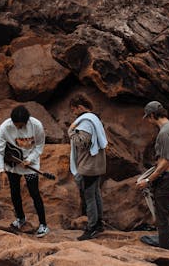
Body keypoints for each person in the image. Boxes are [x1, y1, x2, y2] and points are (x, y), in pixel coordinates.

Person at [136, 101, 169, 250]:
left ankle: (165, 246)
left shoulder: (165, 133)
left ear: (153, 115)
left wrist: (148, 180)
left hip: (168, 176)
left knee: (162, 214)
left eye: (148, 117)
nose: (148, 120)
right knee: (165, 210)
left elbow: (165, 162)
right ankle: (166, 239)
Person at [0, 105, 50, 238]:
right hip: (12, 163)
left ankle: (43, 224)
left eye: (21, 125)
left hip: (31, 164)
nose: (18, 128)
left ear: (27, 121)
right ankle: (20, 218)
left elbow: (39, 145)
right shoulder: (5, 127)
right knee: (14, 192)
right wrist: (1, 170)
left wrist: (30, 160)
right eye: (16, 125)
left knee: (34, 192)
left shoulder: (36, 126)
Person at [68, 94, 108, 241]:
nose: (73, 113)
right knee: (96, 192)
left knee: (89, 196)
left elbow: (82, 143)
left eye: (73, 110)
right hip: (97, 163)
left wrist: (71, 132)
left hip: (88, 165)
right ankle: (99, 224)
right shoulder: (95, 118)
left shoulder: (85, 122)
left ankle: (91, 228)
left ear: (79, 108)